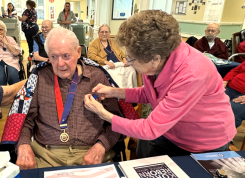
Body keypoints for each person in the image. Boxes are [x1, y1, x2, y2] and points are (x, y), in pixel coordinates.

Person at [84, 10, 236, 158]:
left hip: (203, 144)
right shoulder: (160, 58)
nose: (128, 62)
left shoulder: (192, 73)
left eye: (130, 59)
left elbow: (149, 129)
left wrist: (103, 114)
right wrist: (114, 92)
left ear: (155, 59)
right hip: (169, 130)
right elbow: (149, 93)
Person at [15, 27, 123, 169]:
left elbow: (115, 121)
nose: (60, 63)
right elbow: (26, 120)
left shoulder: (97, 77)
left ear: (78, 52)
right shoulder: (39, 77)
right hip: (47, 156)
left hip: (91, 154)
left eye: (66, 56)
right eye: (53, 56)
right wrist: (23, 145)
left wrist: (101, 146)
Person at [88, 24, 137, 88]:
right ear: (98, 33)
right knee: (115, 75)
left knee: (131, 70)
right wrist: (105, 62)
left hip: (119, 64)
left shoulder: (112, 41)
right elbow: (91, 55)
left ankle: (131, 91)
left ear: (109, 33)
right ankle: (119, 94)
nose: (104, 34)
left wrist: (124, 59)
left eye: (106, 32)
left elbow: (120, 51)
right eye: (102, 32)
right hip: (107, 66)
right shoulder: (94, 44)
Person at [224, 62, 245, 128]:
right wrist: (224, 81)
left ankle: (223, 136)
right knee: (211, 101)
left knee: (230, 112)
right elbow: (235, 70)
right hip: (231, 87)